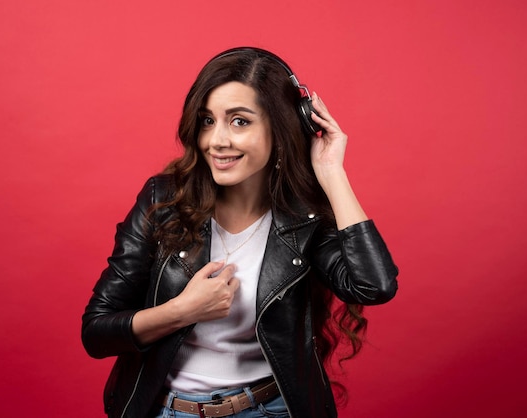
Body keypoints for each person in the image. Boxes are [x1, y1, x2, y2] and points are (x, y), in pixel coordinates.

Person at [82, 46, 399, 418]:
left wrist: (331, 172)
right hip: (168, 412)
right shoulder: (162, 199)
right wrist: (183, 310)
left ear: (280, 127)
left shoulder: (304, 217)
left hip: (270, 410)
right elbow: (98, 331)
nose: (217, 140)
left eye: (239, 121)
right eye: (207, 121)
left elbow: (373, 286)